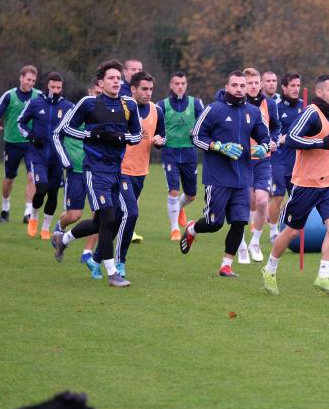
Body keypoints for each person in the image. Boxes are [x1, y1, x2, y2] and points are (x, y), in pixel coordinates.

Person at [51, 60, 142, 287]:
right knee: (109, 219)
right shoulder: (89, 103)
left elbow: (137, 135)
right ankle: (112, 274)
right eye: (111, 78)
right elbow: (66, 128)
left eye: (118, 78)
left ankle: (64, 239)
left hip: (117, 171)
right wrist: (91, 135)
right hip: (95, 170)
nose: (115, 82)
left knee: (105, 220)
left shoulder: (129, 105)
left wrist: (122, 138)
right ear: (100, 83)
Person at [179, 70, 270, 278]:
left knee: (239, 222)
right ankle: (193, 228)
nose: (239, 89)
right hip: (218, 177)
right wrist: (217, 146)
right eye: (235, 85)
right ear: (227, 87)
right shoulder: (213, 110)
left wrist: (263, 147)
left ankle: (226, 266)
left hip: (243, 178)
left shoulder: (253, 112)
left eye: (242, 85)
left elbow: (266, 137)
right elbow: (195, 136)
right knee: (214, 223)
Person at [261, 74, 329, 296]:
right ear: (319, 92)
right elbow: (291, 139)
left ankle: (323, 277)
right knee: (292, 232)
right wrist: (319, 142)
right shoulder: (310, 112)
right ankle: (269, 269)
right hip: (305, 184)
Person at [89, 71, 165, 279]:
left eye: (151, 89)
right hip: (120, 170)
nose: (148, 93)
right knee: (131, 213)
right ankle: (119, 262)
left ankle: (96, 259)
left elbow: (161, 135)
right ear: (132, 89)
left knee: (119, 217)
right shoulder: (123, 108)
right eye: (144, 89)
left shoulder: (157, 110)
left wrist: (160, 140)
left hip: (141, 172)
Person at [17, 72, 74, 239]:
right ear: (46, 86)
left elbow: (75, 127)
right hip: (38, 155)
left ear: (62, 88)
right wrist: (31, 136)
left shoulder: (68, 106)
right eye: (52, 87)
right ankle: (34, 216)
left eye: (58, 87)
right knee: (41, 187)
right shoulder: (35, 103)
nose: (55, 90)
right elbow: (20, 122)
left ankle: (45, 227)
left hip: (57, 157)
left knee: (53, 193)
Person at [54, 81, 102, 265]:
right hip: (75, 171)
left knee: (100, 214)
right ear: (89, 91)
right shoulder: (75, 112)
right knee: (74, 215)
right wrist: (66, 160)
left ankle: (87, 253)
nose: (98, 95)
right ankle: (61, 226)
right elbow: (56, 133)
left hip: (97, 171)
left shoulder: (106, 115)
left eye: (100, 92)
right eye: (95, 92)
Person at [237, 68, 280, 263]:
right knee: (243, 204)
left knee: (262, 201)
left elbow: (276, 127)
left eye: (256, 83)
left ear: (260, 84)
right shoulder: (237, 105)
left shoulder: (269, 104)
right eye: (249, 83)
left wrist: (273, 140)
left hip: (263, 159)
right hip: (241, 160)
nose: (253, 86)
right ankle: (240, 244)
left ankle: (255, 241)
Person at [0, 65, 40, 223]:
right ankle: (5, 207)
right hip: (12, 143)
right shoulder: (9, 95)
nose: (30, 83)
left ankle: (28, 211)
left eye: (33, 80)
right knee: (9, 178)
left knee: (32, 177)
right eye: (28, 79)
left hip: (32, 143)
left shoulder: (39, 96)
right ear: (21, 78)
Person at [157, 72, 203, 241]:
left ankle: (181, 207)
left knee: (191, 195)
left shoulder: (195, 103)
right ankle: (174, 228)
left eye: (183, 83)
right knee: (174, 190)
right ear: (171, 85)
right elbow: (156, 128)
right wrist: (158, 139)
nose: (180, 86)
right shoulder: (162, 105)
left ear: (186, 84)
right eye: (177, 83)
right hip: (170, 153)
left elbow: (205, 122)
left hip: (190, 153)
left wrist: (197, 131)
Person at [267, 73, 304, 241]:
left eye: (298, 85)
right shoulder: (274, 106)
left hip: (299, 160)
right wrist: (279, 139)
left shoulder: (305, 107)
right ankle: (273, 231)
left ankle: (291, 226)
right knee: (278, 195)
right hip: (279, 159)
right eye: (292, 86)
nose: (296, 89)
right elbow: (265, 132)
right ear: (284, 88)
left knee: (297, 197)